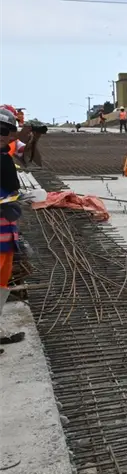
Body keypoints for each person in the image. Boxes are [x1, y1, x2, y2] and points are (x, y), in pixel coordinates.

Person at [0, 106, 28, 355]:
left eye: (7, 131)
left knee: (2, 280)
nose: (3, 135)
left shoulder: (4, 157)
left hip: (6, 231)